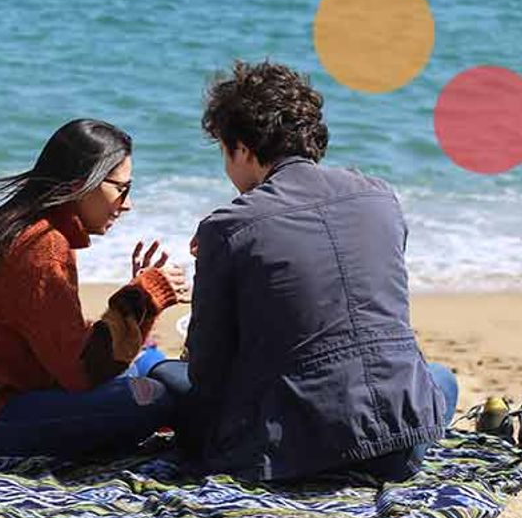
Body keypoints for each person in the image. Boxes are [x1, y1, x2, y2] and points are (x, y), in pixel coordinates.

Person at [148, 60, 458, 482]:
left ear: (241, 148)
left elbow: (209, 371)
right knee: (438, 379)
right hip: (398, 444)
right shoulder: (381, 198)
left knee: (164, 375)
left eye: (224, 150)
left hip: (291, 450)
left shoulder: (229, 227)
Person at [0, 118, 190, 462]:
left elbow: (64, 350)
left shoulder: (26, 229)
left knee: (150, 364)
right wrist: (143, 297)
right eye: (121, 189)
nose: (126, 204)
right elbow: (80, 372)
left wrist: (141, 302)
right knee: (152, 397)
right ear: (84, 183)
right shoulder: (41, 245)